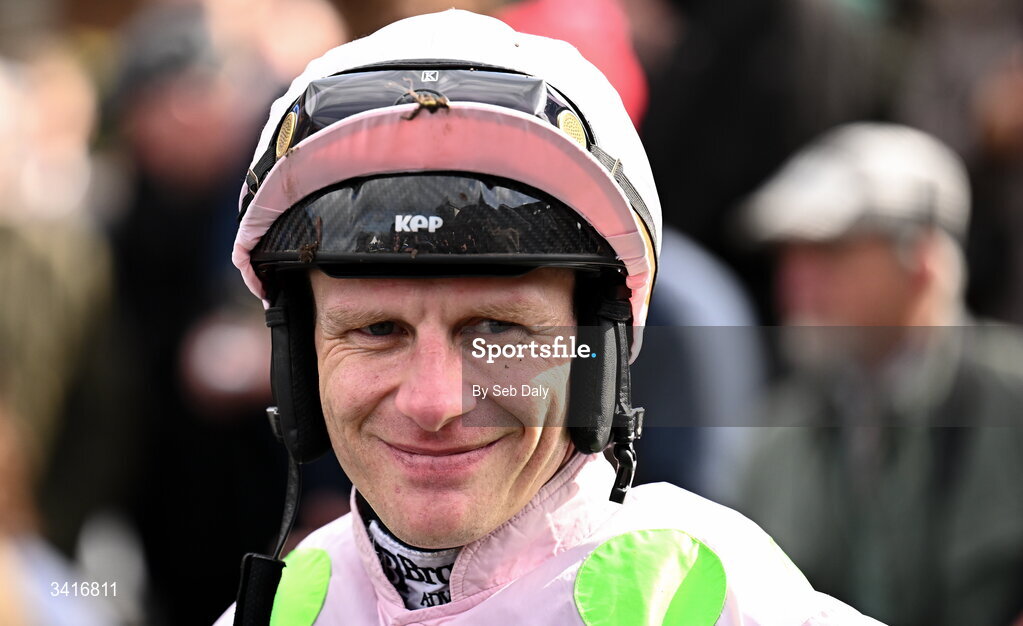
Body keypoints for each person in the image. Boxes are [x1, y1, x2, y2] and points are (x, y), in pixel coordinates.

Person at [215, 10, 880, 625]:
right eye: (377, 331)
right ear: (300, 358)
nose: (433, 402)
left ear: (598, 352)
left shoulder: (728, 599)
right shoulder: (282, 607)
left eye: (495, 330)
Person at [736, 122, 1023, 626]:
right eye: (790, 253)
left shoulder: (1012, 399)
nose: (797, 278)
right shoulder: (775, 434)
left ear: (923, 261)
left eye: (831, 250)